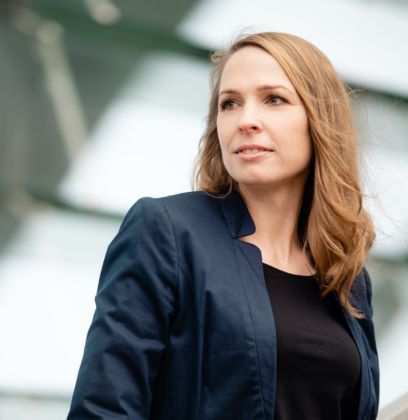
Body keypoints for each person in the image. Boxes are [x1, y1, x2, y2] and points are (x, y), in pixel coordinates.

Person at [67, 32, 379, 420]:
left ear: (320, 119)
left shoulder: (346, 274)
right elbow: (104, 407)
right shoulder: (168, 232)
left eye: (274, 99)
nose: (246, 121)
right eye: (229, 103)